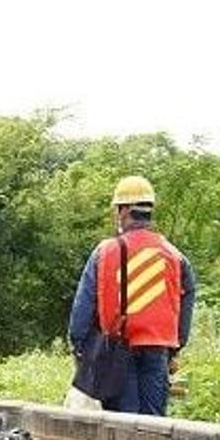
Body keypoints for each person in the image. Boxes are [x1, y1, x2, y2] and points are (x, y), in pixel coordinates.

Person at [68, 175, 196, 416]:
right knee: (153, 424)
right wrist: (177, 345)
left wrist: (79, 346)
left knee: (122, 422)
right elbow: (187, 298)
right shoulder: (174, 255)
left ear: (124, 211)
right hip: (158, 351)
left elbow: (83, 306)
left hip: (117, 349)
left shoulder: (105, 252)